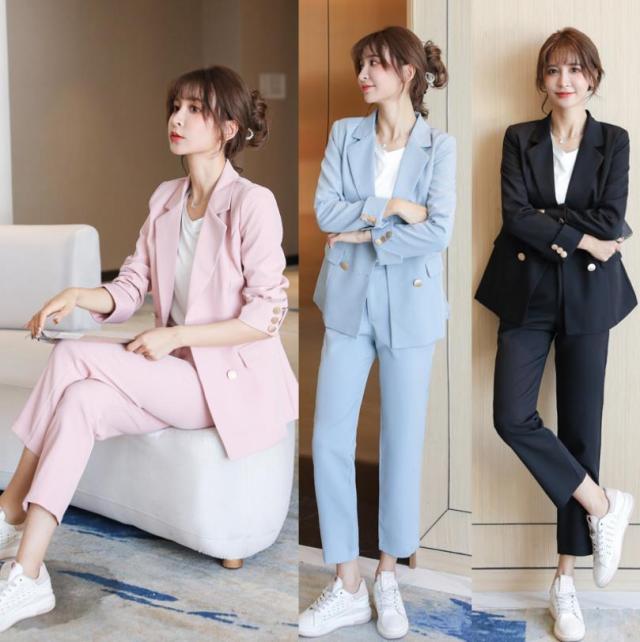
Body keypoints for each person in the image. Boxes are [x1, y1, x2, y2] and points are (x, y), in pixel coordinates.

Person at [0, 65, 297, 633]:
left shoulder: (252, 203)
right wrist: (78, 294)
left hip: (222, 382)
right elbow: (132, 285)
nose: (177, 119)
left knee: (72, 356)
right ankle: (28, 573)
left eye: (195, 110)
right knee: (81, 400)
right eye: (175, 107)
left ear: (228, 128)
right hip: (171, 374)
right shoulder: (166, 199)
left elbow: (266, 315)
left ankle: (11, 502)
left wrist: (177, 335)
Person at [475, 27, 636, 642]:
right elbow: (516, 216)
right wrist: (582, 236)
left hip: (590, 300)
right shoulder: (519, 138)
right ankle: (603, 505)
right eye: (553, 70)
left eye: (575, 69)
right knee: (511, 416)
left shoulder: (613, 140)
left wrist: (560, 225)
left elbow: (612, 217)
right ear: (541, 80)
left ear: (592, 77)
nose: (564, 80)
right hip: (528, 295)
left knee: (580, 431)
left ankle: (564, 583)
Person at [298, 26, 456, 639]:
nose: (363, 74)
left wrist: (365, 230)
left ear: (407, 73)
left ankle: (388, 574)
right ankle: (347, 582)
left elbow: (438, 231)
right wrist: (391, 208)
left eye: (375, 64)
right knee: (329, 439)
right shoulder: (346, 134)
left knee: (401, 442)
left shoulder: (439, 147)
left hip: (410, 308)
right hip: (347, 302)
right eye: (360, 64)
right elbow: (325, 211)